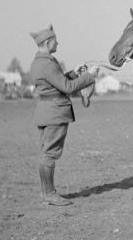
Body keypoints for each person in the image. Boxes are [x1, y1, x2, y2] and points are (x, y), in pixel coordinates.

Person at [29, 24, 97, 206]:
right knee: (50, 154)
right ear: (48, 42)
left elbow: (57, 82)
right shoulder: (48, 63)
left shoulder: (38, 63)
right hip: (55, 112)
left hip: (45, 111)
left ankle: (47, 193)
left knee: (46, 153)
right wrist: (89, 77)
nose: (58, 42)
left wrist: (74, 73)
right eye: (55, 40)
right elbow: (67, 87)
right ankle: (49, 194)